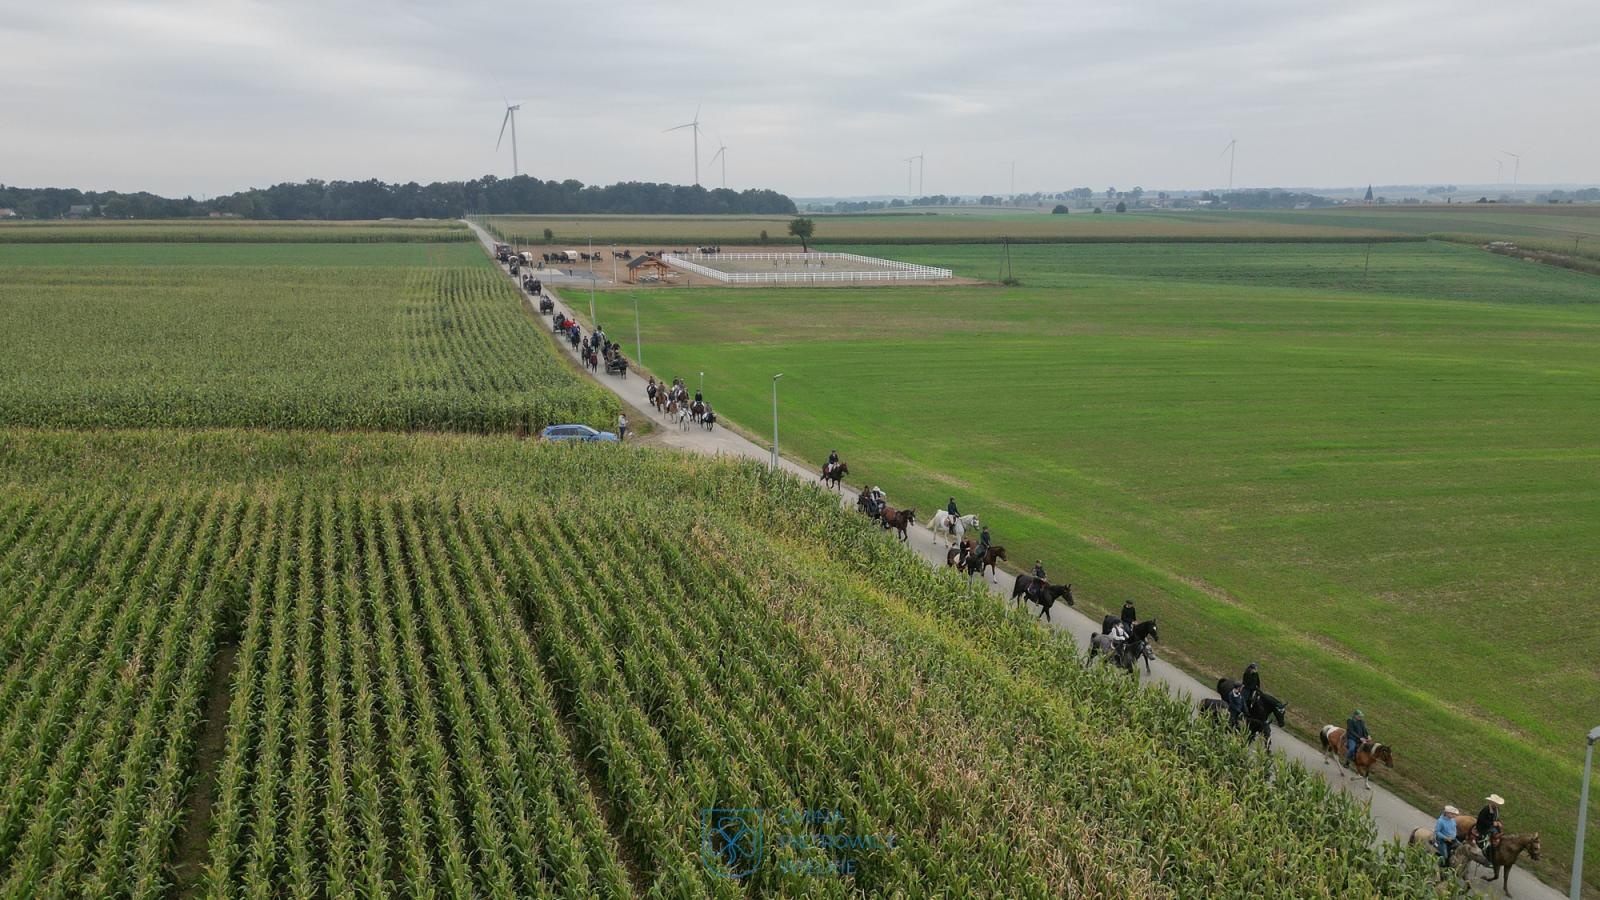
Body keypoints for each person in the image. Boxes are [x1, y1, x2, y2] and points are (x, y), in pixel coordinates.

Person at [1473, 794, 1504, 861]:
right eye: (1496, 803)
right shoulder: (1486, 809)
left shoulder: (1497, 809)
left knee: (1500, 834)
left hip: (1492, 826)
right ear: (1492, 802)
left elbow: (1496, 818)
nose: (1497, 804)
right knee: (1491, 835)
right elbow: (1481, 819)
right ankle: (1486, 851)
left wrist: (1499, 822)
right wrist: (1492, 823)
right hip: (1483, 826)